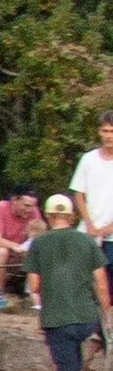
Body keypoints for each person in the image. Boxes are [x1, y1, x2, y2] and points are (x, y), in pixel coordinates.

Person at [28, 192, 111, 371]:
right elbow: (101, 282)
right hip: (86, 318)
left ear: (49, 217)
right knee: (78, 354)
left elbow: (35, 285)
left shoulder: (39, 244)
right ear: (72, 215)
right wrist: (106, 313)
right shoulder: (86, 241)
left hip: (57, 320)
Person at [0, 185, 44, 306]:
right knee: (2, 252)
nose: (30, 210)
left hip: (18, 252)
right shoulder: (0, 208)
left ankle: (35, 296)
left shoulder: (34, 211)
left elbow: (38, 237)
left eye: (33, 206)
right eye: (26, 205)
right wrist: (15, 246)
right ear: (14, 200)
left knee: (40, 253)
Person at [75, 115, 113, 291]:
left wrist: (109, 227)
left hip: (111, 236)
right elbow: (79, 192)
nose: (109, 136)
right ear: (99, 132)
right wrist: (89, 223)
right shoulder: (88, 159)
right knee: (84, 281)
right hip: (87, 232)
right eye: (105, 131)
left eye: (112, 131)